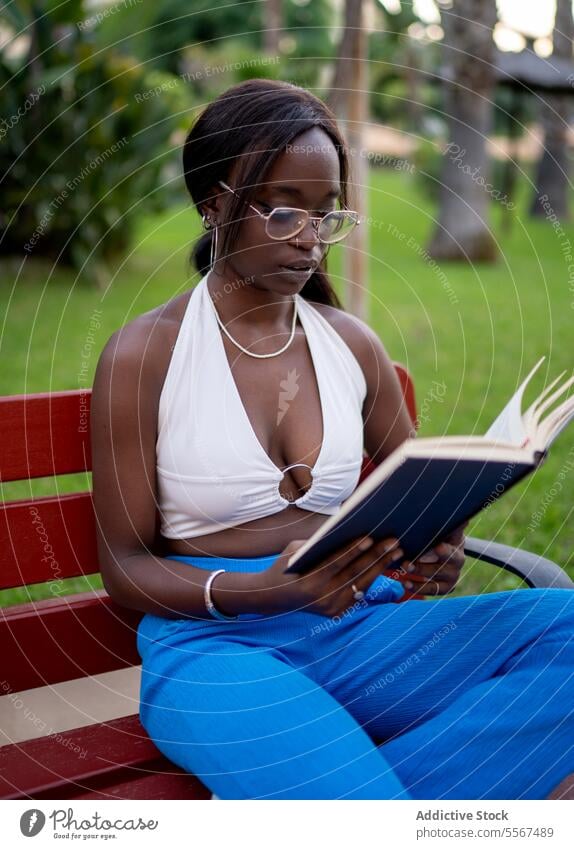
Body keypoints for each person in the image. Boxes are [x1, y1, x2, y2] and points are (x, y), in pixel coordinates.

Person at [91, 78, 574, 800]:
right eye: (284, 208)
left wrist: (438, 544)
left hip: (361, 633)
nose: (310, 236)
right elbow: (125, 565)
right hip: (217, 652)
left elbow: (425, 492)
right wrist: (260, 590)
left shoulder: (351, 345)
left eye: (326, 213)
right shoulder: (144, 357)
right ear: (214, 203)